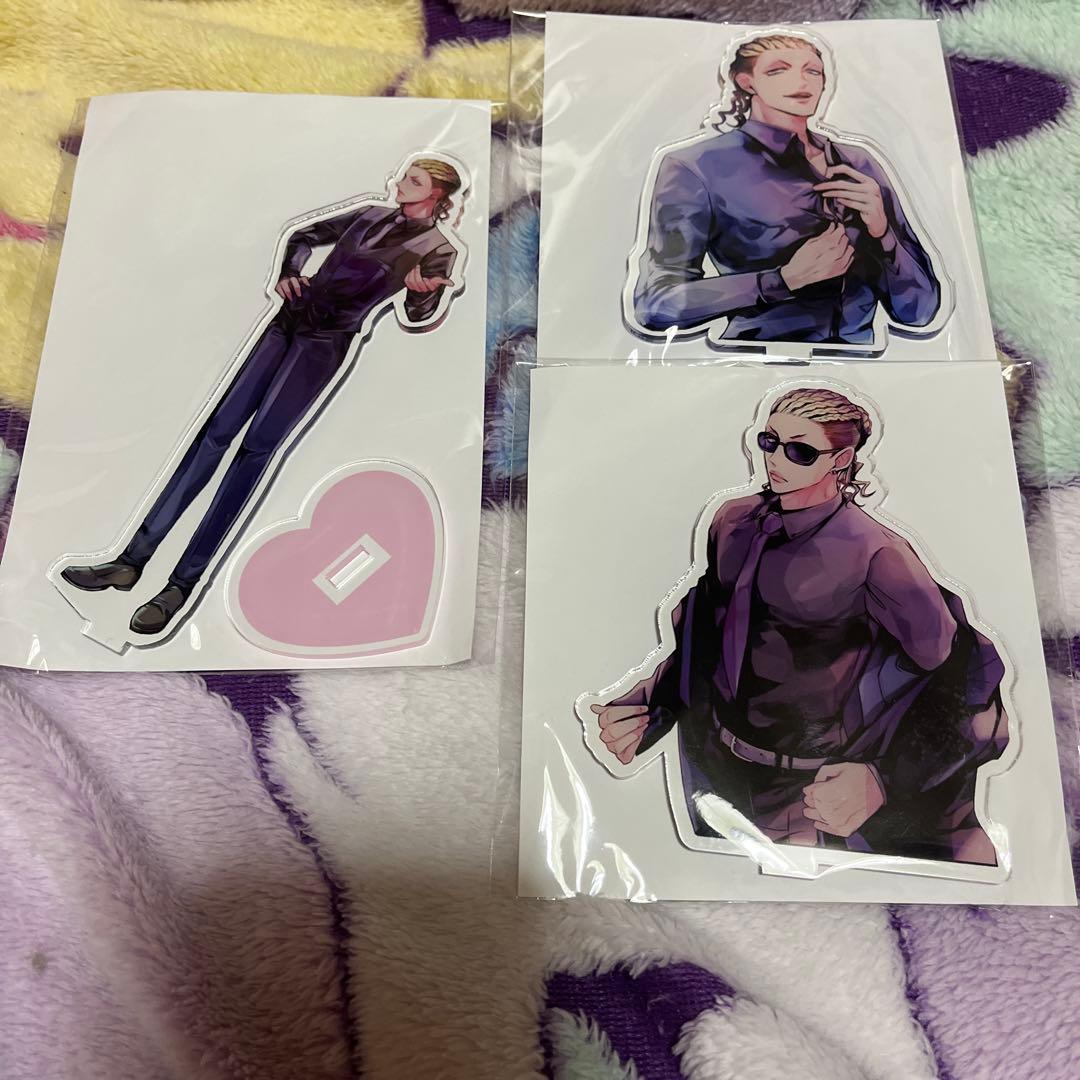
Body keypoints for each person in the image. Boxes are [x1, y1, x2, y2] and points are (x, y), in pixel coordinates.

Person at [590, 388, 1008, 864]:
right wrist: (653, 705)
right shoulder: (732, 522)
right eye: (769, 441)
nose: (775, 460)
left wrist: (883, 777)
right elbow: (705, 631)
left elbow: (965, 672)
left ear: (841, 459)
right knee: (708, 881)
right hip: (714, 770)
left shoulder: (876, 554)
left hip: (810, 792)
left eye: (800, 451)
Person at [60, 156, 466, 635]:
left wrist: (420, 292)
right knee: (213, 435)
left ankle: (180, 586)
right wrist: (290, 271)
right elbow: (304, 236)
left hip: (323, 346)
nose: (400, 182)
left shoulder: (438, 249)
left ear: (437, 195)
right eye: (405, 175)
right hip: (285, 322)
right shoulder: (370, 214)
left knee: (254, 453)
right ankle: (131, 561)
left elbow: (419, 312)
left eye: (414, 181)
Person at [629, 33, 941, 346]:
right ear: (746, 82)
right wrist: (782, 280)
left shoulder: (859, 163)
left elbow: (919, 312)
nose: (801, 81)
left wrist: (883, 234)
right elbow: (656, 305)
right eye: (778, 70)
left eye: (813, 71)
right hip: (754, 362)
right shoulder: (695, 167)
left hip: (865, 363)